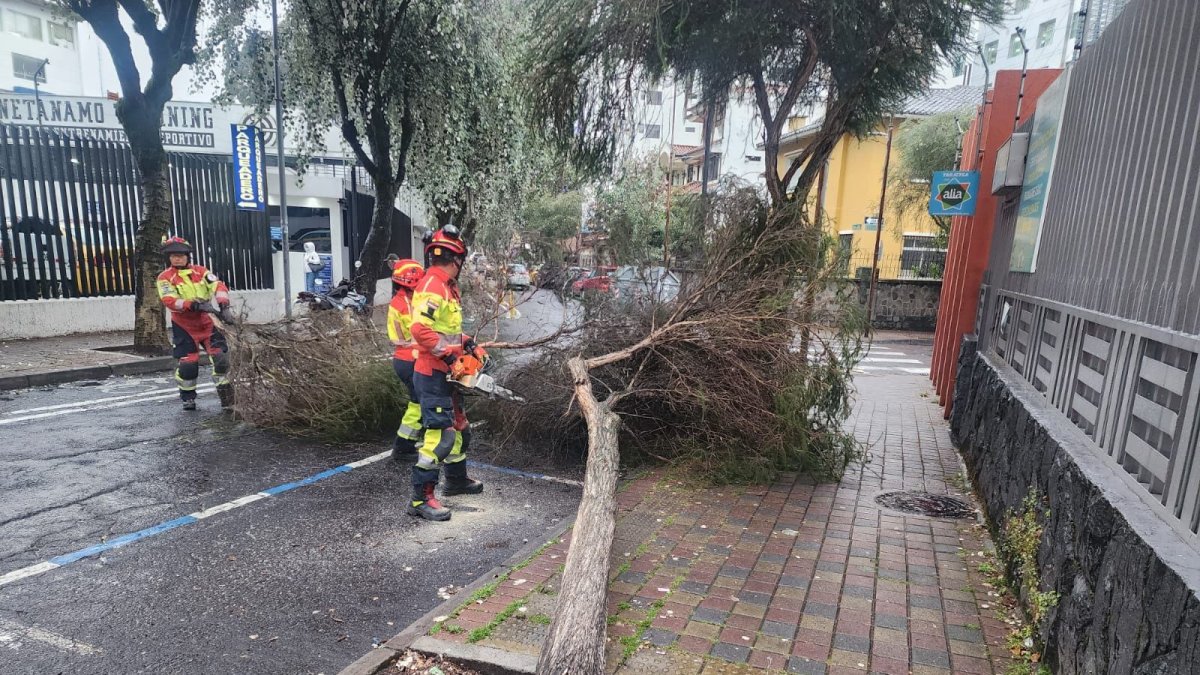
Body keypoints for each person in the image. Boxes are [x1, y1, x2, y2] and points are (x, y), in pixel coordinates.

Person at [407, 225, 485, 521]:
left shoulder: (448, 286)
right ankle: (420, 500)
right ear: (458, 260)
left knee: (460, 428)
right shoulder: (433, 285)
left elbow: (445, 330)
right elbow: (420, 329)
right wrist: (452, 354)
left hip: (446, 373)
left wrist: (466, 343)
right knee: (440, 438)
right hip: (431, 373)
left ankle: (456, 480)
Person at [156, 236, 234, 410]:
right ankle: (188, 397)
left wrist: (224, 305)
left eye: (181, 254)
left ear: (187, 256)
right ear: (168, 257)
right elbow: (169, 300)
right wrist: (192, 304)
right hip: (184, 326)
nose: (177, 258)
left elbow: (218, 286)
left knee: (221, 360)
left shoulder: (201, 271)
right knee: (188, 366)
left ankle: (227, 398)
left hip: (207, 322)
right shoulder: (165, 277)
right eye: (173, 255)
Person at [387, 258, 425, 461]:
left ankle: (405, 445)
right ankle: (403, 448)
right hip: (410, 359)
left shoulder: (401, 300)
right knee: (419, 402)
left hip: (406, 359)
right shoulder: (405, 305)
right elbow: (420, 332)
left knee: (417, 402)